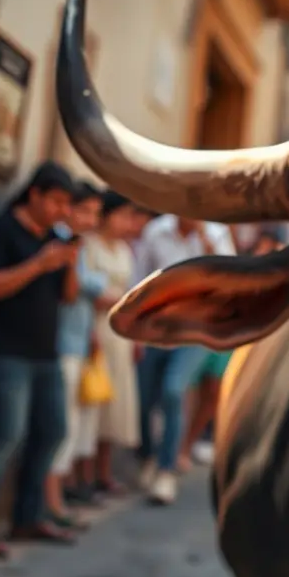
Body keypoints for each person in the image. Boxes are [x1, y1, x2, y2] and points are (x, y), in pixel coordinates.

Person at [0, 161, 83, 558]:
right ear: (35, 194)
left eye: (68, 204)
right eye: (57, 202)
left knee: (52, 432)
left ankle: (27, 517)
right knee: (4, 438)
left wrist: (69, 262)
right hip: (2, 352)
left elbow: (67, 296)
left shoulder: (53, 240)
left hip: (45, 355)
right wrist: (39, 264)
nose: (62, 211)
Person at [133, 214, 234, 505]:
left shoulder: (216, 233)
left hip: (196, 330)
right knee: (143, 397)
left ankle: (167, 469)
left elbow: (229, 279)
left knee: (173, 390)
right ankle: (148, 454)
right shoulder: (156, 231)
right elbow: (139, 276)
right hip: (156, 327)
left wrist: (205, 239)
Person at [47, 181, 108, 529]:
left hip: (76, 343)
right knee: (59, 427)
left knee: (68, 427)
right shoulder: (62, 241)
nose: (89, 219)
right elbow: (76, 291)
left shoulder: (78, 244)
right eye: (83, 210)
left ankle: (57, 498)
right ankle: (52, 502)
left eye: (94, 213)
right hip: (60, 345)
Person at [81, 190, 141, 496]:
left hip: (119, 333)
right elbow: (91, 291)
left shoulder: (125, 251)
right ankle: (84, 476)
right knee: (91, 405)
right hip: (95, 330)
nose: (127, 223)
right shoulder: (88, 245)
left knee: (115, 406)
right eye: (122, 215)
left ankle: (103, 473)